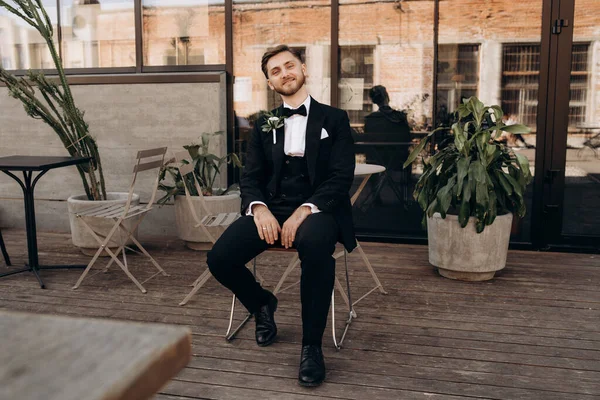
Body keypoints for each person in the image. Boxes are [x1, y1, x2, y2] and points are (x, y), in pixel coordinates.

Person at [206, 45, 356, 387]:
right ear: (271, 83)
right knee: (219, 258)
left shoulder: (335, 119)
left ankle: (311, 347)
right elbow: (250, 177)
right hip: (272, 207)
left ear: (302, 68)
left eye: (289, 66)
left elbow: (340, 177)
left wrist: (306, 210)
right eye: (275, 71)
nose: (284, 73)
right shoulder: (262, 125)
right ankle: (262, 303)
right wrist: (258, 209)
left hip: (319, 208)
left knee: (317, 246)